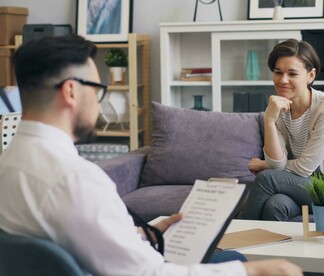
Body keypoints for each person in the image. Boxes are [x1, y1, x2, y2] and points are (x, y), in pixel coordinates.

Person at [0, 35, 302, 276]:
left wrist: (144, 233)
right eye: (97, 90)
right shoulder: (75, 178)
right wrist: (253, 271)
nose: (99, 104)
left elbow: (66, 238)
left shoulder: (9, 163)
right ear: (70, 92)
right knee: (240, 260)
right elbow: (148, 272)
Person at [240, 39, 324, 221]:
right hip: (300, 186)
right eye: (278, 72)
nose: (283, 80)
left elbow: (303, 168)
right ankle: (271, 249)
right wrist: (270, 121)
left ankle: (233, 239)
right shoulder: (276, 108)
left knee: (266, 179)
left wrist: (264, 165)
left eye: (292, 74)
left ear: (310, 76)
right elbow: (278, 163)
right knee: (276, 205)